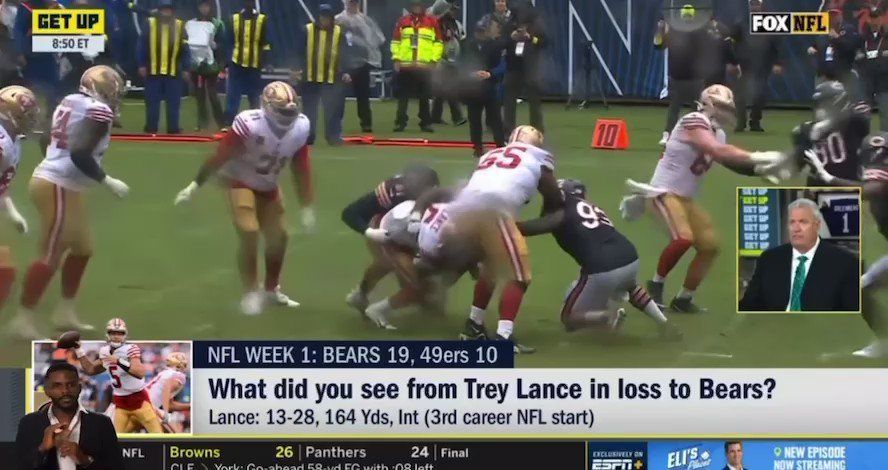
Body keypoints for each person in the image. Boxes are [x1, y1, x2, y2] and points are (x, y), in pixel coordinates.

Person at [621, 85, 789, 313]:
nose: (724, 112)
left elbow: (727, 160)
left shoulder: (717, 132)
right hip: (661, 193)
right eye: (719, 106)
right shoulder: (693, 120)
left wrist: (758, 170)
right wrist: (758, 156)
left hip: (685, 198)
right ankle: (655, 285)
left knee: (710, 246)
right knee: (683, 238)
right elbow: (715, 150)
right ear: (706, 104)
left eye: (727, 107)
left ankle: (683, 299)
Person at [412, 126, 563, 353]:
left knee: (491, 269)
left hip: (460, 212)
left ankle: (474, 326)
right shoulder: (537, 156)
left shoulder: (490, 155)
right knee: (519, 276)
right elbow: (552, 192)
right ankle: (504, 337)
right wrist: (557, 208)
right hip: (492, 210)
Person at [7, 66, 129, 340]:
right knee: (51, 254)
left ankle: (65, 312)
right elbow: (79, 154)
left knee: (83, 248)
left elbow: (47, 139)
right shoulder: (99, 111)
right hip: (57, 185)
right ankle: (23, 318)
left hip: (61, 183)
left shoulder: (70, 101)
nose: (114, 95)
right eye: (111, 89)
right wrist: (106, 180)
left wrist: (53, 160)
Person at [173, 82, 312, 315]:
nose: (287, 117)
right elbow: (221, 156)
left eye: (290, 111)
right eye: (282, 111)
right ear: (266, 107)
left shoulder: (301, 126)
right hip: (240, 180)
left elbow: (301, 166)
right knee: (249, 231)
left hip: (269, 186)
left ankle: (270, 289)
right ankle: (250, 291)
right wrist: (194, 185)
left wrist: (307, 205)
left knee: (280, 237)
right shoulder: (249, 124)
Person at [517, 179, 681, 338]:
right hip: (629, 256)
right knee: (630, 286)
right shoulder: (592, 208)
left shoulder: (563, 210)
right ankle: (663, 321)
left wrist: (503, 224)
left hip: (602, 267)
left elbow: (533, 228)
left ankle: (607, 317)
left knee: (568, 318)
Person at [802, 132, 888, 356]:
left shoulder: (877, 148)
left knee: (864, 285)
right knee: (864, 286)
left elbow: (873, 190)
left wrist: (828, 178)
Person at [341, 165, 439, 318]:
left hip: (411, 233)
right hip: (385, 227)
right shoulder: (393, 192)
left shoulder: (436, 195)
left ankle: (360, 295)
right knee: (389, 264)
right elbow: (350, 213)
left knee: (420, 279)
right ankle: (363, 296)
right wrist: (370, 232)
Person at [739, 198, 860, 312]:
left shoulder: (845, 263)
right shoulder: (769, 259)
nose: (796, 228)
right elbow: (748, 307)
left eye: (803, 222)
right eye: (792, 222)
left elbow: (850, 317)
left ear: (817, 226)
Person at [15, 362, 123, 470]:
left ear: (80, 388)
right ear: (47, 390)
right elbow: (19, 466)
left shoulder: (102, 423)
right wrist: (43, 448)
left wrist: (84, 460)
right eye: (57, 385)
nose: (65, 391)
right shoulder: (29, 423)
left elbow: (116, 467)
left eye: (71, 385)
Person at [71, 318, 164, 434]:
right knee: (115, 439)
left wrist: (118, 361)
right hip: (120, 403)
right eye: (113, 333)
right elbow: (90, 370)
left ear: (125, 335)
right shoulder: (104, 351)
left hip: (139, 400)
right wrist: (79, 349)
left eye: (120, 333)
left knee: (158, 436)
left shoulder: (130, 349)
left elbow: (140, 373)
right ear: (107, 334)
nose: (116, 336)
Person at [0, 86, 37, 317]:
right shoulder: (3, 143)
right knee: (5, 271)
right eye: (27, 113)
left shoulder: (12, 140)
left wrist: (11, 211)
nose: (31, 119)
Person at [795, 81, 870, 187]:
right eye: (818, 105)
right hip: (818, 186)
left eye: (823, 104)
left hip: (847, 184)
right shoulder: (806, 130)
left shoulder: (854, 123)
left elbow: (857, 117)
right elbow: (799, 165)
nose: (819, 109)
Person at [295, 3, 350, 146]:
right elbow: (300, 52)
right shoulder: (307, 31)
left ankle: (332, 136)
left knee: (332, 110)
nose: (324, 20)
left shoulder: (339, 33)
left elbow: (345, 55)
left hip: (331, 78)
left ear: (332, 18)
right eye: (322, 17)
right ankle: (309, 136)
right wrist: (297, 69)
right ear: (318, 17)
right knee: (309, 110)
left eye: (327, 18)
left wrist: (345, 71)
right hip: (311, 78)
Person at [138, 0, 190, 135]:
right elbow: (142, 46)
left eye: (169, 10)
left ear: (172, 11)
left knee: (174, 103)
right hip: (153, 70)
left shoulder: (180, 25)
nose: (166, 12)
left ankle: (173, 128)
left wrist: (186, 68)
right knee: (152, 102)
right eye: (164, 10)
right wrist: (142, 64)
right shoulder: (150, 24)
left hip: (173, 71)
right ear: (159, 10)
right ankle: (151, 127)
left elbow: (185, 49)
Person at [654, 15, 707, 145]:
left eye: (689, 18)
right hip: (677, 77)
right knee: (674, 108)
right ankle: (667, 135)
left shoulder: (700, 33)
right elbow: (658, 45)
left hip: (695, 77)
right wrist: (660, 30)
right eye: (685, 18)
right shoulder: (672, 33)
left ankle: (695, 137)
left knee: (696, 109)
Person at [391, 0, 443, 133]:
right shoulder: (402, 21)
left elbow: (438, 43)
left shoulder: (432, 22)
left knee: (424, 97)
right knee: (403, 97)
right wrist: (396, 58)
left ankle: (425, 123)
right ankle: (400, 122)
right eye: (414, 5)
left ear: (422, 6)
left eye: (419, 5)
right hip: (406, 65)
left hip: (424, 65)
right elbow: (396, 41)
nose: (417, 7)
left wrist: (434, 60)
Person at [731, 0, 783, 132]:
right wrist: (734, 62)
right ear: (749, 6)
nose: (754, 7)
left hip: (762, 65)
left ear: (761, 5)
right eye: (752, 4)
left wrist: (777, 62)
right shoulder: (740, 23)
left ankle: (755, 122)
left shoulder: (769, 22)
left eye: (756, 4)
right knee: (740, 96)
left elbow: (776, 45)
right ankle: (741, 122)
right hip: (744, 66)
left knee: (759, 96)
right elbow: (733, 44)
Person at [335, 0, 385, 133]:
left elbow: (378, 39)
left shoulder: (366, 20)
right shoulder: (338, 19)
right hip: (343, 64)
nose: (353, 5)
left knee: (363, 95)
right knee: (339, 96)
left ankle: (366, 124)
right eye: (351, 3)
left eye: (355, 3)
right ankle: (335, 124)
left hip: (361, 65)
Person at [462, 20, 506, 158]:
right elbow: (461, 64)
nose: (480, 34)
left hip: (490, 86)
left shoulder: (495, 46)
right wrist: (472, 73)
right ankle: (477, 147)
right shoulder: (468, 45)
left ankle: (500, 146)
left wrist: (490, 73)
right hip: (473, 88)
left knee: (495, 119)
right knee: (474, 119)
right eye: (478, 32)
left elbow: (502, 66)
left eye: (483, 31)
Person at [224, 0, 272, 126]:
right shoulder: (234, 19)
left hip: (254, 64)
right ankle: (230, 122)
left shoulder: (262, 20)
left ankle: (255, 124)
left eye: (251, 2)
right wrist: (228, 60)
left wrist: (266, 61)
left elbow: (265, 43)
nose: (249, 4)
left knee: (254, 95)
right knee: (233, 94)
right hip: (236, 63)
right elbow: (229, 41)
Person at [502, 1, 545, 135]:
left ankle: (537, 129)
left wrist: (530, 38)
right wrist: (511, 37)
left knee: (534, 99)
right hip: (513, 65)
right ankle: (508, 129)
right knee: (509, 98)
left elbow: (544, 42)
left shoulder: (536, 23)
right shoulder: (510, 22)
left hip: (530, 66)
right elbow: (502, 42)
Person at [186, 0, 226, 132]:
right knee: (199, 94)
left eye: (207, 6)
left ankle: (221, 123)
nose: (204, 9)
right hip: (195, 64)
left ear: (210, 7)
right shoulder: (191, 24)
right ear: (198, 7)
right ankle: (202, 122)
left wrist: (220, 63)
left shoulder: (217, 24)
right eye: (202, 6)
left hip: (211, 65)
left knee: (212, 93)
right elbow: (187, 42)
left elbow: (222, 45)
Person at [430, 2, 466, 127]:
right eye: (452, 10)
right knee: (449, 88)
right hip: (441, 59)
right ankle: (457, 117)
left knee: (442, 90)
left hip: (452, 59)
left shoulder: (455, 23)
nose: (454, 12)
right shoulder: (438, 22)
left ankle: (435, 116)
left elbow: (460, 38)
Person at [146, 352, 189, 433]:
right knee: (176, 432)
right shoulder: (179, 376)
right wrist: (165, 413)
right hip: (148, 406)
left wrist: (191, 407)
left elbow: (170, 405)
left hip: (144, 401)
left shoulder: (165, 373)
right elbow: (167, 386)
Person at [859, 16, 888, 131]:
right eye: (872, 18)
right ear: (869, 20)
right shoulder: (864, 39)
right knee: (864, 114)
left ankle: (885, 143)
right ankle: (864, 142)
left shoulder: (886, 38)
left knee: (885, 114)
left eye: (877, 18)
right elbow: (859, 58)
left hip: (884, 83)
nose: (874, 21)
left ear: (880, 20)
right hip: (868, 82)